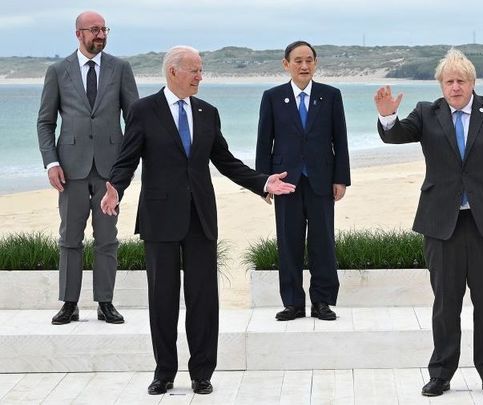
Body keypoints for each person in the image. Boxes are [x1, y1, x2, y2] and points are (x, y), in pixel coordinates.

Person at [100, 46, 295, 395]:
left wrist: (262, 182)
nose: (200, 77)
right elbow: (127, 158)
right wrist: (115, 187)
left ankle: (201, 372)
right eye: (194, 70)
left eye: (201, 70)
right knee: (163, 297)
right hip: (160, 216)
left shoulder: (208, 112)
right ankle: (164, 372)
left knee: (203, 298)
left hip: (200, 216)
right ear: (173, 71)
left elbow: (225, 160)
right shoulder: (143, 110)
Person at [374, 49, 483, 397]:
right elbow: (396, 135)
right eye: (449, 81)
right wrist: (388, 117)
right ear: (441, 85)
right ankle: (441, 374)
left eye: (461, 80)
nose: (455, 87)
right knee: (445, 304)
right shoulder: (427, 112)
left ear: (472, 83)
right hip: (442, 223)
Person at [37, 11, 139, 325]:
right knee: (69, 237)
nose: (101, 35)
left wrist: (126, 168)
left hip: (110, 170)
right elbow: (45, 122)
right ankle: (69, 303)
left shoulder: (121, 68)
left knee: (107, 238)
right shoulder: (58, 71)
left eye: (104, 29)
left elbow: (134, 120)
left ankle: (105, 302)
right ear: (78, 33)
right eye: (94, 30)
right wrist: (51, 162)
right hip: (70, 170)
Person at [255, 41, 350, 321]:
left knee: (323, 243)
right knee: (289, 243)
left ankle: (322, 301)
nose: (304, 66)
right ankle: (293, 303)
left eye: (309, 60)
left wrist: (341, 178)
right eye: (298, 61)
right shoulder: (272, 97)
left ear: (315, 63)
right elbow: (264, 142)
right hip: (285, 182)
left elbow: (340, 140)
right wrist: (263, 182)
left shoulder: (331, 96)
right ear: (286, 64)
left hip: (321, 180)